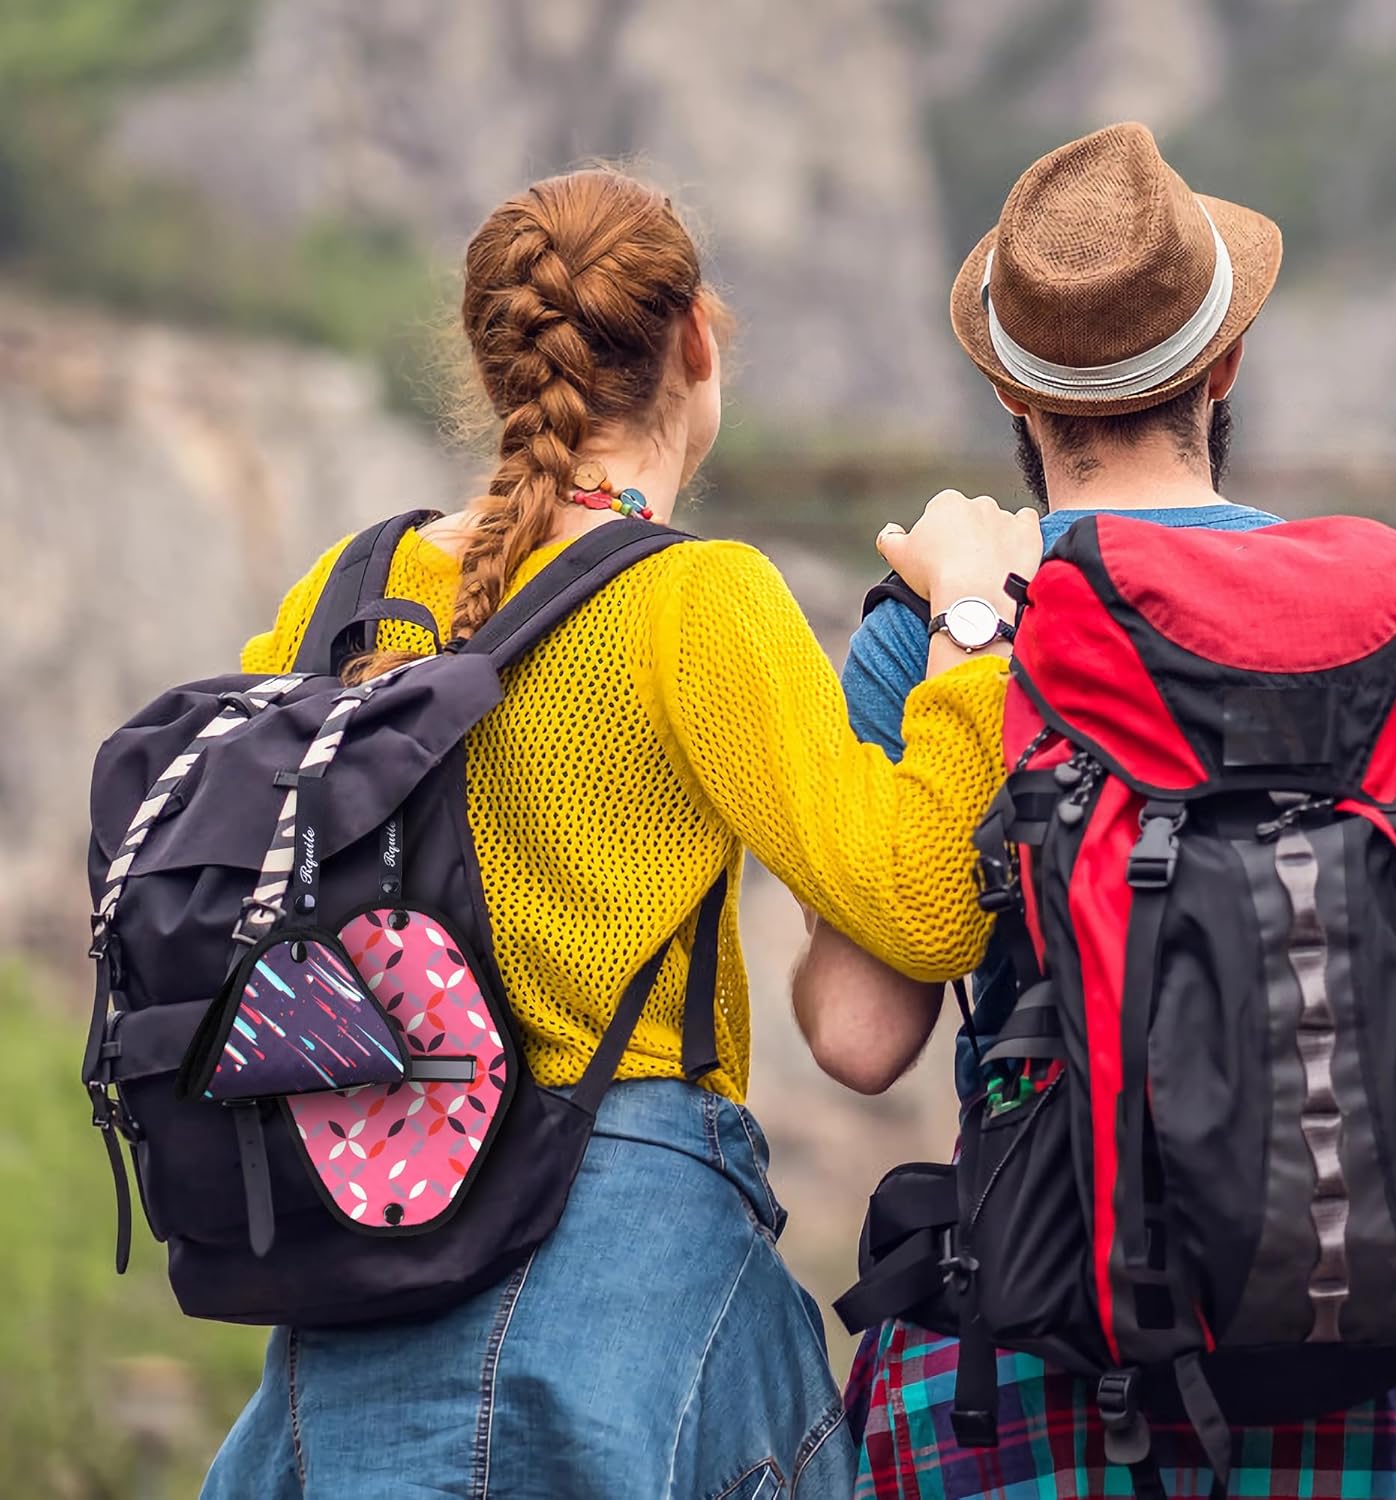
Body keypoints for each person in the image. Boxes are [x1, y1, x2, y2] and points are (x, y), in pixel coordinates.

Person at [200, 167, 1041, 1499]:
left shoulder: (348, 589)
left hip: (355, 1243)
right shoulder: (696, 600)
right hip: (622, 1250)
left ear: (494, 365)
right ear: (698, 340)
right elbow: (925, 906)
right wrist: (975, 629)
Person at [794, 123, 1396, 1499]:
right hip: (1381, 1368)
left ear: (1009, 388)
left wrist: (958, 650)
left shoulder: (939, 633)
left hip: (1043, 1365)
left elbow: (860, 1039)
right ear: (1225, 364)